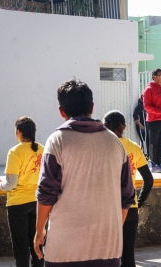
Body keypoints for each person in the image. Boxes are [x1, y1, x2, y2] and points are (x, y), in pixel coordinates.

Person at [34, 79, 135, 266]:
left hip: (64, 250)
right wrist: (111, 232)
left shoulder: (57, 141)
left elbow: (46, 193)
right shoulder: (115, 143)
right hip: (108, 250)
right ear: (92, 106)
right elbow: (127, 196)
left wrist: (39, 231)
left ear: (61, 111)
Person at [103, 110, 154, 267]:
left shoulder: (103, 147)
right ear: (124, 127)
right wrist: (139, 202)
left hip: (109, 208)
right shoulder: (134, 147)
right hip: (130, 207)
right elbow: (148, 179)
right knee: (128, 256)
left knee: (110, 256)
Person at [0, 116, 44, 267]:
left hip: (18, 205)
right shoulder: (42, 149)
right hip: (38, 203)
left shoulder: (14, 152)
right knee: (38, 246)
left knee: (21, 249)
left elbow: (11, 183)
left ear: (19, 132)